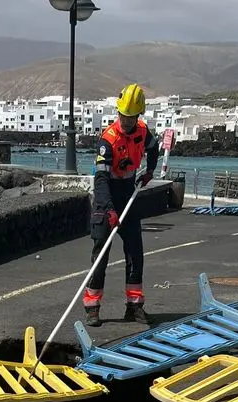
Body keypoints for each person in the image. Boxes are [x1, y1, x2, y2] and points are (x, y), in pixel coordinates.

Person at [83, 83, 159, 327]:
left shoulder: (143, 132)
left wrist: (149, 171)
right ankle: (92, 307)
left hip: (129, 191)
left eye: (131, 117)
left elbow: (153, 147)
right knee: (101, 255)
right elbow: (101, 179)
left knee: (135, 251)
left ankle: (134, 306)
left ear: (138, 115)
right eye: (123, 116)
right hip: (108, 195)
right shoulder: (107, 140)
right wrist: (108, 210)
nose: (126, 121)